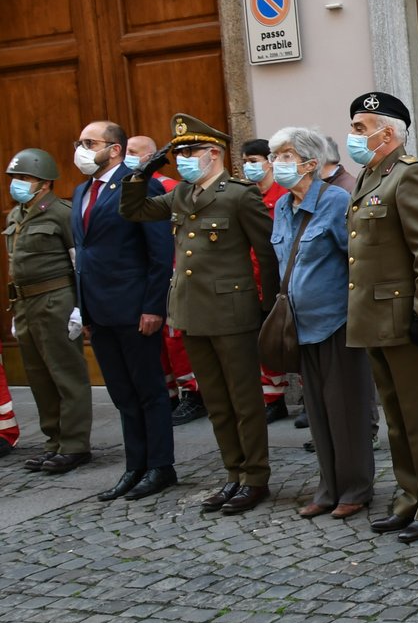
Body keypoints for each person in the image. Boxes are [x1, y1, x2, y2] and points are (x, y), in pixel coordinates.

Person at [121, 115, 278, 514]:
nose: (184, 159)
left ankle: (255, 477)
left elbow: (266, 253)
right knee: (217, 401)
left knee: (244, 400)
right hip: (191, 313)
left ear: (213, 154)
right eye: (179, 153)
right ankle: (233, 473)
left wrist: (268, 307)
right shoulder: (182, 195)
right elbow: (135, 210)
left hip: (233, 312)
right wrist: (145, 170)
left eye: (190, 152)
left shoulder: (239, 194)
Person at [345, 91, 418, 544]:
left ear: (386, 132)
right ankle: (409, 496)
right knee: (396, 417)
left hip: (408, 317)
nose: (353, 136)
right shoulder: (370, 175)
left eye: (359, 128)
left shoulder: (408, 176)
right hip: (375, 317)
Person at [268, 127, 375, 519]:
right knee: (316, 412)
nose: (275, 163)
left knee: (346, 409)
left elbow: (358, 261)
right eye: (274, 155)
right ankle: (328, 487)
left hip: (338, 323)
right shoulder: (282, 206)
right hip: (300, 325)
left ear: (310, 164)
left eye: (285, 155)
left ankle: (356, 488)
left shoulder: (335, 201)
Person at [74, 121, 178, 499]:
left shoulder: (138, 184)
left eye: (90, 142)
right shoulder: (83, 190)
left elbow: (159, 252)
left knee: (149, 390)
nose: (82, 149)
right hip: (99, 313)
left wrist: (153, 306)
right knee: (122, 393)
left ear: (114, 149)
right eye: (81, 142)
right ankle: (135, 465)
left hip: (135, 310)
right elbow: (84, 256)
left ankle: (160, 466)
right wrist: (84, 312)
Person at [6, 148, 92, 475]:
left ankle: (74, 444)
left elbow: (79, 263)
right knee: (39, 377)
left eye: (24, 178)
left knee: (65, 374)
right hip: (25, 303)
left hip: (56, 301)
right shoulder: (16, 215)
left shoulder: (60, 213)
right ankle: (54, 441)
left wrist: (81, 307)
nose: (17, 184)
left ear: (43, 182)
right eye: (15, 178)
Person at [127, 135, 205, 426]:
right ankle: (169, 391)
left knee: (175, 339)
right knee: (156, 340)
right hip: (145, 274)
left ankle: (193, 393)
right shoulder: (129, 188)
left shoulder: (169, 187)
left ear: (150, 155)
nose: (128, 157)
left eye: (134, 152)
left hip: (171, 270)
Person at [244, 138, 291, 422]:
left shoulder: (283, 196)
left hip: (280, 279)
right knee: (263, 343)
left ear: (269, 161)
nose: (248, 167)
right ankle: (273, 398)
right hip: (254, 280)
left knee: (289, 342)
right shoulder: (249, 197)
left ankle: (308, 402)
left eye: (253, 161)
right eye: (245, 162)